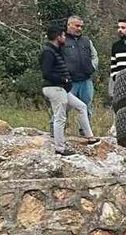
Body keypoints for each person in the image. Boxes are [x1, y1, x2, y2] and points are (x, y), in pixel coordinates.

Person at [40, 23, 97, 155]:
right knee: (60, 117)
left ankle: (90, 137)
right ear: (57, 37)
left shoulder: (56, 50)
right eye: (63, 35)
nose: (65, 37)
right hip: (54, 88)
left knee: (82, 106)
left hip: (62, 89)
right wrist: (63, 80)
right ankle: (60, 148)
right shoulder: (48, 52)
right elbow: (46, 73)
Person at [61, 15, 98, 117]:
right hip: (69, 81)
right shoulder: (62, 40)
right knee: (63, 107)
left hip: (86, 81)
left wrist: (92, 67)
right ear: (69, 25)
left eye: (81, 26)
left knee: (87, 108)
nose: (79, 29)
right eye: (77, 26)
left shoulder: (86, 41)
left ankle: (85, 132)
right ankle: (56, 131)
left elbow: (94, 55)